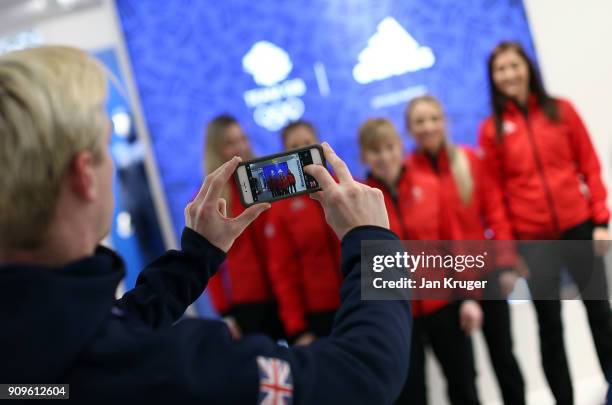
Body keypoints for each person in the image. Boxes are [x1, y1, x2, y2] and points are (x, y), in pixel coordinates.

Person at [0, 46, 411, 403]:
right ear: (84, 175)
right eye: (106, 147)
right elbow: (362, 375)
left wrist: (195, 257)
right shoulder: (166, 370)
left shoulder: (32, 349)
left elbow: (107, 331)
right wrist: (374, 243)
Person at [479, 41, 612, 405]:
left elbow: (589, 163)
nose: (508, 74)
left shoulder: (561, 111)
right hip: (533, 242)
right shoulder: (492, 131)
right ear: (493, 77)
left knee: (600, 314)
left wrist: (600, 219)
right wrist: (508, 254)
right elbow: (495, 200)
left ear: (527, 68)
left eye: (513, 65)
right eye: (500, 69)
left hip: (578, 227)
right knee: (550, 327)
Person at [404, 95, 526, 405]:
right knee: (463, 372)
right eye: (420, 121)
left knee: (504, 356)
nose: (428, 126)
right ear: (410, 129)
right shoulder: (408, 174)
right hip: (450, 286)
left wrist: (507, 263)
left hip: (487, 275)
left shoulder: (470, 160)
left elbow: (496, 213)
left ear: (444, 121)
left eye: (433, 118)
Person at [359, 117, 484, 405]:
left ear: (400, 147)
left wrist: (467, 297)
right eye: (376, 150)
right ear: (365, 155)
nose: (385, 157)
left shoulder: (430, 186)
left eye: (390, 147)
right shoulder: (361, 202)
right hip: (397, 319)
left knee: (464, 386)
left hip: (444, 306)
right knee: (410, 395)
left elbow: (454, 245)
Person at [203, 115, 283, 339]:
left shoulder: (272, 181)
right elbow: (210, 266)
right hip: (248, 305)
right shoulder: (213, 199)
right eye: (230, 142)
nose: (240, 147)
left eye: (243, 139)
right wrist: (225, 313)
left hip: (285, 293)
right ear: (215, 149)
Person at [264, 121, 341, 345]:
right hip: (319, 316)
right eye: (293, 146)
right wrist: (297, 329)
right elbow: (282, 272)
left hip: (360, 301)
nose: (302, 150)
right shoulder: (281, 208)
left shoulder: (345, 187)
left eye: (307, 143)